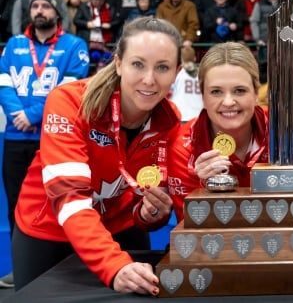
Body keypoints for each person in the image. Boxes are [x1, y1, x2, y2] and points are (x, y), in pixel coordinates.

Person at [11, 17, 182, 293]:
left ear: (177, 71)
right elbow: (69, 198)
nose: (149, 80)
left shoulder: (170, 120)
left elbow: (146, 200)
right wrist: (113, 265)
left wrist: (152, 213)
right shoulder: (68, 102)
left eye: (162, 67)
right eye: (138, 64)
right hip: (49, 230)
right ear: (118, 63)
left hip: (119, 228)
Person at [0, 0, 89, 289]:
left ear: (57, 11)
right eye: (34, 5)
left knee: (60, 200)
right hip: (15, 137)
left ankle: (65, 263)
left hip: (52, 137)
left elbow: (69, 89)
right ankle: (19, 266)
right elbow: (4, 85)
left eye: (45, 6)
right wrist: (17, 116)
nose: (39, 10)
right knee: (16, 204)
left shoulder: (74, 45)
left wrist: (34, 115)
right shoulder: (13, 45)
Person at [168, 42, 268, 221]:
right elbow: (191, 229)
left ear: (255, 93)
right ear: (202, 96)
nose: (228, 102)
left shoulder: (284, 133)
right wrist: (203, 189)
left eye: (239, 90)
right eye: (216, 92)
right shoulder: (182, 148)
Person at [170, 45, 202, 122]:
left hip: (181, 116)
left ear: (181, 59)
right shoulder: (202, 73)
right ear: (194, 58)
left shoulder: (178, 72)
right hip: (198, 117)